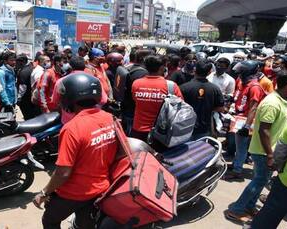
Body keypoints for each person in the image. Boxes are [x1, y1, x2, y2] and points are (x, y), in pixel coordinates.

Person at [33, 73, 117, 229]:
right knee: (85, 224)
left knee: (50, 220)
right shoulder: (110, 118)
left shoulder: (72, 128)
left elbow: (63, 172)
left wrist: (44, 192)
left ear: (69, 98)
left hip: (74, 193)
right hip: (101, 189)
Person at [225, 71, 287, 224]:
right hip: (264, 151)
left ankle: (248, 206)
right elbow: (264, 130)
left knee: (261, 181)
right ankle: (236, 210)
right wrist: (269, 155)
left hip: (268, 150)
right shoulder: (272, 103)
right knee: (259, 180)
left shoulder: (281, 100)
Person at [224, 61, 266, 181]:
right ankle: (237, 163)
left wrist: (247, 126)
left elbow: (253, 108)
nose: (239, 74)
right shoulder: (245, 84)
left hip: (247, 121)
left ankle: (237, 170)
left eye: (241, 72)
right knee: (239, 145)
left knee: (242, 146)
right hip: (240, 118)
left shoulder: (254, 87)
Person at [131, 55, 183, 142]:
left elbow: (134, 99)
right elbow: (180, 107)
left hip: (138, 130)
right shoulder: (171, 86)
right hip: (162, 132)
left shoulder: (136, 83)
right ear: (162, 68)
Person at [181, 60, 225, 140]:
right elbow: (221, 108)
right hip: (204, 129)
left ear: (195, 70)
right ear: (209, 72)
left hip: (185, 127)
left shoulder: (184, 87)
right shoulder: (215, 89)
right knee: (200, 151)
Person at [121, 49, 151, 134]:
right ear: (144, 59)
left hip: (125, 104)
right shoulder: (142, 73)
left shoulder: (129, 67)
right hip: (132, 108)